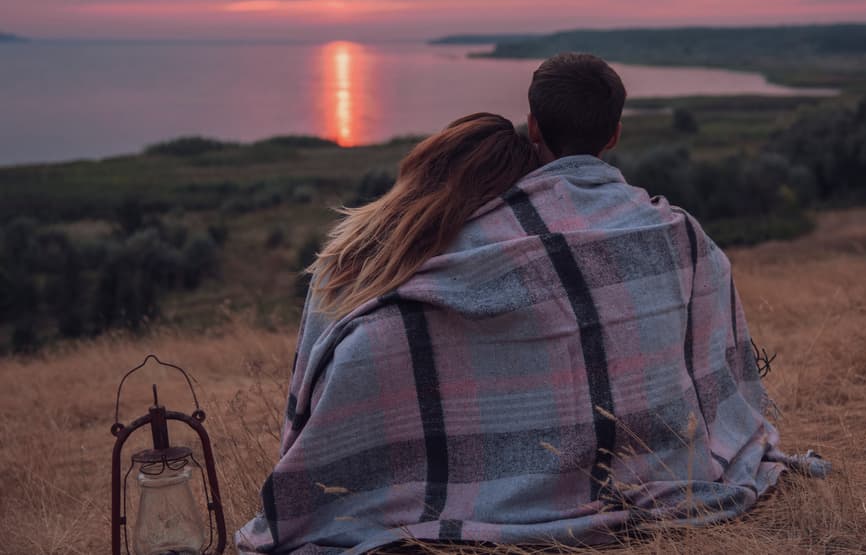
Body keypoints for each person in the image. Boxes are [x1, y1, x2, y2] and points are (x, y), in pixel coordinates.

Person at [237, 55, 828, 555]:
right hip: (669, 469)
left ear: (532, 126)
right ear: (615, 133)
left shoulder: (485, 239)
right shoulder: (680, 234)